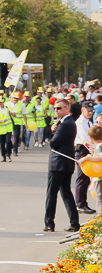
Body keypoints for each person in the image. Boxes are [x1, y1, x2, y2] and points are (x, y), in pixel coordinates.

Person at [44, 98, 80, 233]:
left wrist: (53, 131)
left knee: (52, 193)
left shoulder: (66, 124)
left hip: (58, 163)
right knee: (66, 193)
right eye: (55, 108)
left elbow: (53, 143)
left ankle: (49, 223)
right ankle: (74, 222)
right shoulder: (65, 122)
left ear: (67, 108)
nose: (56, 110)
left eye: (59, 108)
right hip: (65, 163)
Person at [74, 101, 96, 214]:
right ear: (82, 110)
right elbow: (85, 139)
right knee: (82, 177)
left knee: (86, 178)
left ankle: (83, 202)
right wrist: (92, 148)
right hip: (82, 149)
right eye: (88, 110)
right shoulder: (80, 122)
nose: (90, 112)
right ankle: (80, 204)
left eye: (92, 111)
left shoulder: (88, 122)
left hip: (87, 149)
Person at [0, 96, 13, 162]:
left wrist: (10, 112)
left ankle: (8, 155)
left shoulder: (8, 108)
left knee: (8, 141)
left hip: (8, 129)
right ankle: (3, 156)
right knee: (2, 143)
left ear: (3, 102)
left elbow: (15, 115)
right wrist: (2, 121)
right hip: (0, 130)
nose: (0, 103)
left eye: (1, 102)